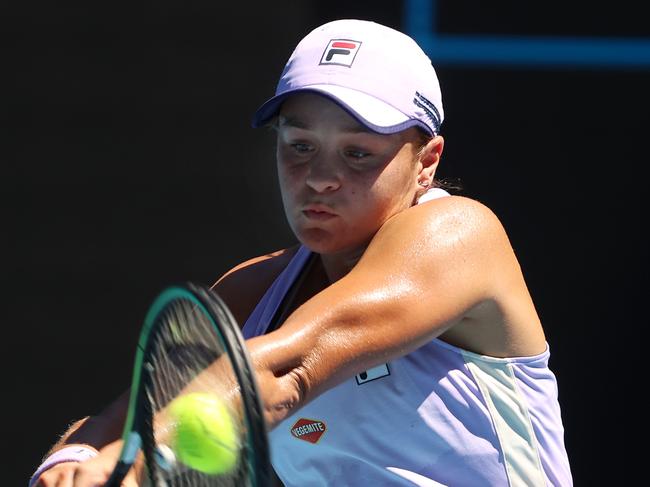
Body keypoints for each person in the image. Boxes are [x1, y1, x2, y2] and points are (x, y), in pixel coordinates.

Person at [30, 19, 572, 486]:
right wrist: (75, 460)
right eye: (300, 147)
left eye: (358, 153)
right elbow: (131, 417)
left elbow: (288, 369)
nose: (320, 179)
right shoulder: (249, 294)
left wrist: (143, 463)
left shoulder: (460, 234)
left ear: (426, 162)